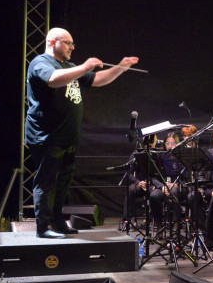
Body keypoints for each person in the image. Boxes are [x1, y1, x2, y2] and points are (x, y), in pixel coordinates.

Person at [26, 27, 138, 238]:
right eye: (68, 43)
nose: (72, 47)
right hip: (47, 136)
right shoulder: (41, 63)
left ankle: (58, 222)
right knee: (47, 182)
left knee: (64, 182)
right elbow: (53, 80)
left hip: (67, 137)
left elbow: (96, 80)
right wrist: (85, 66)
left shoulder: (70, 66)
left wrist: (121, 68)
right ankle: (43, 227)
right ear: (53, 42)